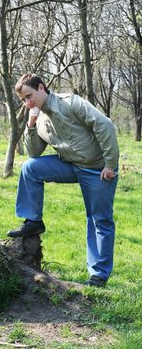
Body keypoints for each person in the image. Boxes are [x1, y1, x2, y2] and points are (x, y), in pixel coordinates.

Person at [7, 73, 119, 287]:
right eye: (23, 100)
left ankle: (98, 275)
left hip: (96, 168)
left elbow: (104, 125)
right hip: (69, 165)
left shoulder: (70, 102)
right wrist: (30, 125)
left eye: (29, 96)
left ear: (41, 88)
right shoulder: (38, 118)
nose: (27, 102)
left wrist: (110, 164)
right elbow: (33, 153)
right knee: (30, 168)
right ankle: (33, 221)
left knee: (98, 219)